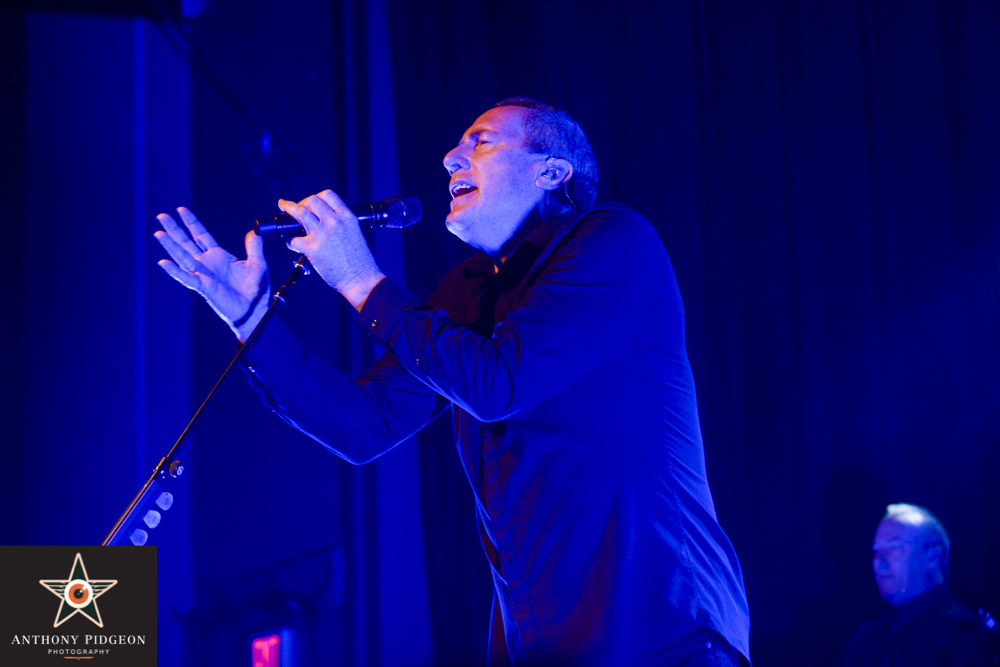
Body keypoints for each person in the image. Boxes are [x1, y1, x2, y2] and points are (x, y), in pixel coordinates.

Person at [154, 98, 751, 666]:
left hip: (661, 636)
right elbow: (365, 424)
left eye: (482, 141)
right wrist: (250, 316)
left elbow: (498, 384)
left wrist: (361, 279)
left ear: (551, 171)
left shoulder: (613, 240)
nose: (449, 157)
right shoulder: (466, 291)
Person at [839, 503, 989, 666]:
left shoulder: (959, 633)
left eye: (893, 548)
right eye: (876, 551)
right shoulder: (864, 637)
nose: (878, 562)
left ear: (933, 557)